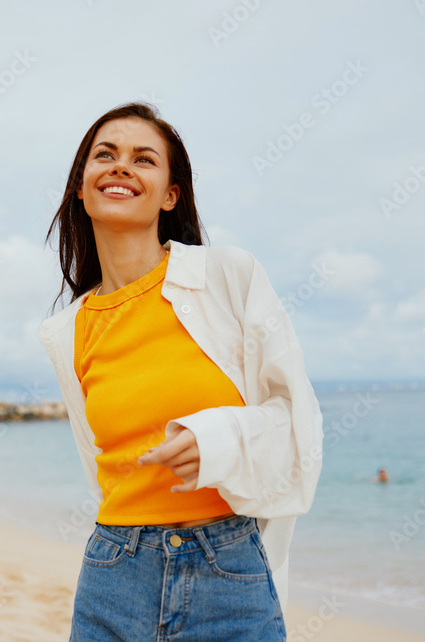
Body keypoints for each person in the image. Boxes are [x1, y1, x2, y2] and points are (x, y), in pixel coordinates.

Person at [38, 102, 324, 640]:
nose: (121, 166)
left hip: (228, 570)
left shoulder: (228, 276)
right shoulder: (65, 333)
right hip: (113, 572)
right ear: (82, 186)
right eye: (106, 155)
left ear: (171, 195)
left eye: (144, 159)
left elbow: (300, 423)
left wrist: (220, 438)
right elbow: (102, 469)